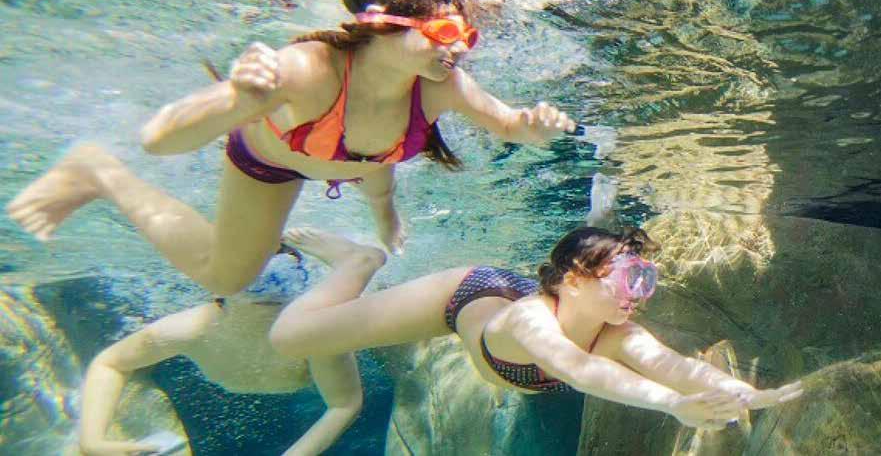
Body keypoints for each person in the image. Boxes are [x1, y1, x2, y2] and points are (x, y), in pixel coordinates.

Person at [7, 0, 576, 294]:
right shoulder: (306, 70)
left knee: (378, 181)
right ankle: (97, 172)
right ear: (384, 22)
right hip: (274, 162)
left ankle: (386, 217)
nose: (460, 48)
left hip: (366, 163)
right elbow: (157, 139)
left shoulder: (441, 84)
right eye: (447, 32)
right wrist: (239, 101)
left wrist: (535, 127)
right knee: (227, 279)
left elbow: (510, 125)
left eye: (468, 37)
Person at [270, 226, 803, 430]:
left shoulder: (614, 330)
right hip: (463, 298)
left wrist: (747, 393)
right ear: (574, 278)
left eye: (645, 280)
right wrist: (672, 404)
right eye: (627, 279)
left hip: (528, 299)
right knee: (289, 338)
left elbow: (675, 366)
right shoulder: (531, 320)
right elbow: (578, 368)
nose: (637, 294)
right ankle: (359, 260)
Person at [78, 243, 386, 456]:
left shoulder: (312, 331)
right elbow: (110, 363)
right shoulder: (191, 328)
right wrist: (92, 440)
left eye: (283, 278)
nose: (270, 291)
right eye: (255, 280)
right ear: (220, 286)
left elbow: (344, 404)